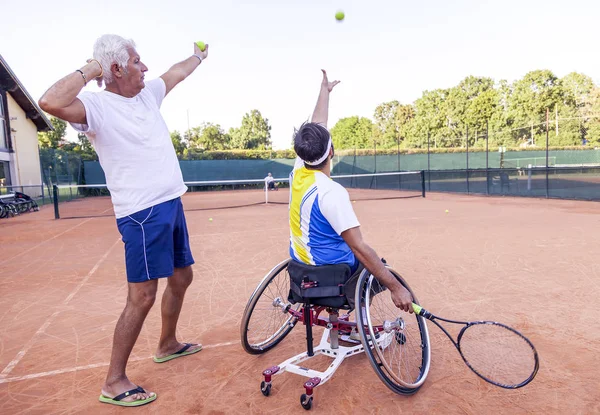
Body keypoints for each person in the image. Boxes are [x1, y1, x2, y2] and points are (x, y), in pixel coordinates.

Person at [38, 34, 208, 407]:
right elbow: (49, 101)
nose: (144, 67)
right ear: (115, 69)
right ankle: (114, 380)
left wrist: (197, 57)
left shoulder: (148, 94)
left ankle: (167, 344)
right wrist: (91, 69)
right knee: (142, 295)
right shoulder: (96, 108)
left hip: (170, 203)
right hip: (142, 214)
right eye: (135, 62)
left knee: (182, 276)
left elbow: (176, 73)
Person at [289, 69, 414, 314]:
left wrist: (324, 92)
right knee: (374, 267)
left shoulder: (297, 172)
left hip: (299, 262)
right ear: (332, 152)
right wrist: (395, 287)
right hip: (331, 270)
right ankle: (358, 322)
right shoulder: (331, 192)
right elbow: (359, 249)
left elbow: (318, 123)